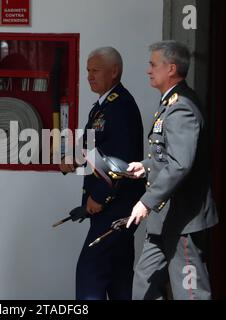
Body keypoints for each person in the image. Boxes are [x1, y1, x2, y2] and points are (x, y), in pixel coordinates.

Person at [126, 40, 219, 300]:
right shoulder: (170, 102)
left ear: (171, 69)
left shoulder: (182, 107)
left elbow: (180, 164)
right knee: (144, 282)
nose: (148, 70)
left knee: (190, 292)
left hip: (182, 219)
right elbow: (166, 155)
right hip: (163, 218)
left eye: (153, 64)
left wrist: (146, 202)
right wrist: (145, 167)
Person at [60, 47, 145, 300]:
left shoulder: (119, 106)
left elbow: (121, 160)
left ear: (114, 71)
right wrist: (73, 160)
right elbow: (99, 148)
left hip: (114, 205)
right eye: (87, 71)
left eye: (95, 70)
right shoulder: (105, 105)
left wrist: (99, 197)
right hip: (114, 206)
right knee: (117, 276)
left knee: (90, 272)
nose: (89, 76)